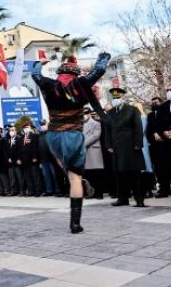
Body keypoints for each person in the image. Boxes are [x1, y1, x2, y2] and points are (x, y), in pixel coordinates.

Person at [32, 51, 111, 233]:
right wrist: (103, 56)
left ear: (59, 74)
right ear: (75, 74)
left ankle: (75, 178)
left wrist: (40, 62)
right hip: (74, 135)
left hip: (53, 135)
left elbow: (35, 75)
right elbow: (98, 70)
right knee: (75, 177)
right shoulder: (81, 84)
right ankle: (75, 223)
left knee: (64, 165)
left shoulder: (48, 84)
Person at [105, 88, 147, 207]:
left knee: (135, 174)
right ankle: (122, 198)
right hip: (117, 147)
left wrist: (138, 143)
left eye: (117, 98)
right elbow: (108, 130)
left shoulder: (132, 110)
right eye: (114, 98)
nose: (115, 100)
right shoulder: (110, 113)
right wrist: (108, 144)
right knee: (120, 174)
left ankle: (139, 199)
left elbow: (138, 127)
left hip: (131, 146)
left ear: (123, 98)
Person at [146, 97, 170, 198]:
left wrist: (161, 134)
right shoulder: (150, 115)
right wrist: (153, 135)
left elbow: (168, 126)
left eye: (156, 102)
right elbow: (148, 130)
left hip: (166, 144)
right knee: (159, 168)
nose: (154, 104)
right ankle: (163, 188)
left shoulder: (167, 112)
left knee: (168, 167)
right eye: (152, 103)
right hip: (155, 146)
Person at [82, 109, 104, 199]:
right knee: (89, 174)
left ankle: (99, 193)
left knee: (97, 173)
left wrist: (83, 144)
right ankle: (91, 192)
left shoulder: (96, 123)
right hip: (85, 151)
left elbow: (96, 136)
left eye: (86, 113)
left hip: (93, 150)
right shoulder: (81, 125)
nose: (84, 115)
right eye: (83, 113)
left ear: (90, 114)